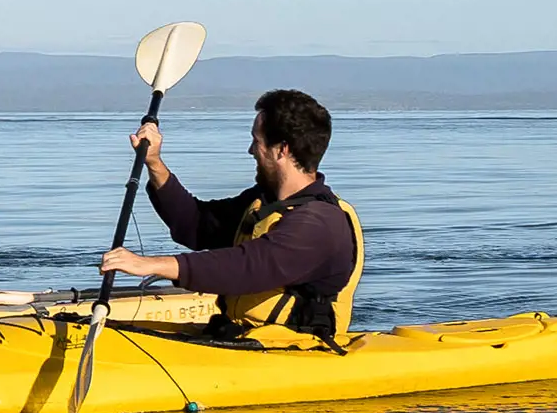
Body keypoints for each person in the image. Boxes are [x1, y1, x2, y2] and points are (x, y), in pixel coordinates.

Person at [99, 88, 364, 345]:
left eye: (256, 141)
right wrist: (154, 163)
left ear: (282, 150)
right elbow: (196, 224)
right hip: (243, 338)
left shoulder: (320, 223)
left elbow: (248, 266)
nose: (250, 150)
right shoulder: (263, 203)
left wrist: (153, 264)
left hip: (296, 351)